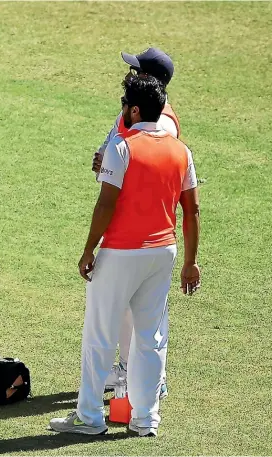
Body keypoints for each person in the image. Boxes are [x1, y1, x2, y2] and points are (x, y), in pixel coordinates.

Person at [50, 74, 200, 437]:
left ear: (134, 110)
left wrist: (89, 249)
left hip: (120, 252)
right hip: (163, 253)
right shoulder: (182, 151)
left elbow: (106, 202)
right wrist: (191, 261)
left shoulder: (123, 146)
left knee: (100, 334)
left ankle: (89, 417)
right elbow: (192, 210)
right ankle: (145, 419)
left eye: (123, 106)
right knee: (151, 337)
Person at [92, 48, 180, 396]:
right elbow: (113, 145)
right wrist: (104, 161)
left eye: (135, 71)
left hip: (146, 229)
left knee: (146, 313)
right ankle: (129, 370)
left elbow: (155, 170)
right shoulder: (131, 107)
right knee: (131, 308)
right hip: (124, 221)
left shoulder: (164, 123)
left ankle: (150, 380)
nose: (129, 75)